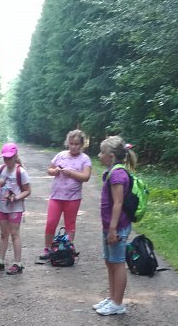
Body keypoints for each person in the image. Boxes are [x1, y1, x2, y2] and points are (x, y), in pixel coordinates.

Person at [93, 136, 135, 315]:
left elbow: (118, 203)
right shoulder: (112, 171)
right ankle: (112, 298)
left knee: (117, 263)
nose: (99, 155)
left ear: (110, 156)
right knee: (110, 262)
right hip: (110, 226)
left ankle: (118, 303)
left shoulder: (117, 174)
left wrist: (112, 229)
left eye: (101, 152)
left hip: (117, 227)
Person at [40, 129, 92, 260]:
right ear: (67, 143)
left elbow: (86, 177)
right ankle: (47, 248)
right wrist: (55, 171)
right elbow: (49, 170)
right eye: (71, 143)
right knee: (51, 222)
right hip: (56, 196)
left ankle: (68, 248)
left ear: (82, 145)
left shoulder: (85, 159)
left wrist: (71, 173)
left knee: (70, 224)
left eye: (77, 144)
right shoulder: (61, 155)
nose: (73, 147)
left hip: (73, 198)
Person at [0, 142, 30, 275]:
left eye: (10, 158)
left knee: (14, 234)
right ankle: (0, 260)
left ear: (15, 156)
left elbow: (27, 191)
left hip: (16, 207)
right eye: (5, 158)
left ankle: (17, 263)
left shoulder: (21, 172)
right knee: (3, 234)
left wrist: (16, 198)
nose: (7, 160)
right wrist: (0, 183)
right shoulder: (1, 169)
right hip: (2, 206)